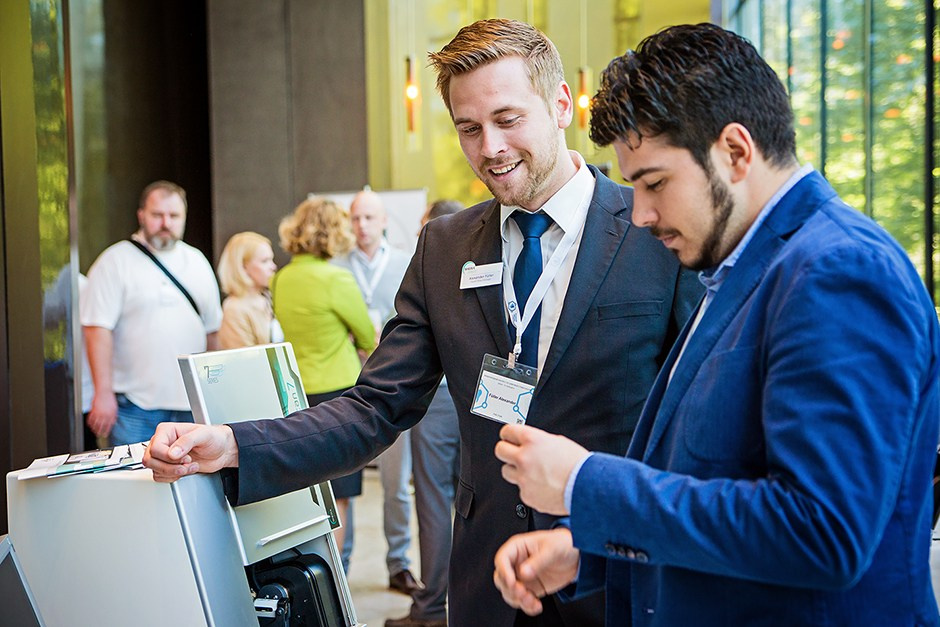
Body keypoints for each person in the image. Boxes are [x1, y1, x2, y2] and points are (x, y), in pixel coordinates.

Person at [144, 19, 700, 627]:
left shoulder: (655, 230)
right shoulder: (445, 247)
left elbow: (693, 430)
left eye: (508, 119)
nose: (490, 148)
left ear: (561, 104)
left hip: (616, 580)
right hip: (488, 585)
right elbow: (375, 407)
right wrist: (234, 444)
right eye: (469, 128)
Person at [492, 23, 940, 626]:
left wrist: (585, 483)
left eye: (655, 183)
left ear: (735, 151)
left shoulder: (838, 271)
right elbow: (715, 477)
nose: (641, 214)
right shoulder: (740, 267)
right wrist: (588, 547)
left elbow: (822, 532)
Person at [272, 196, 377, 573]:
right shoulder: (336, 279)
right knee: (340, 497)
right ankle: (336, 581)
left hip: (296, 393)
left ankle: (311, 580)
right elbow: (368, 337)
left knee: (307, 495)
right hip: (339, 395)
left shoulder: (281, 278)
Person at [82, 180, 222, 446]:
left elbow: (212, 332)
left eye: (174, 216)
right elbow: (96, 329)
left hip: (191, 407)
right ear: (141, 215)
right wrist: (102, 393)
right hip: (134, 408)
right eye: (157, 215)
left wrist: (212, 394)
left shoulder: (197, 261)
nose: (166, 223)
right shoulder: (115, 261)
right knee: (133, 475)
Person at [332, 189, 420, 595]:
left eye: (369, 217)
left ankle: (399, 563)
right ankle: (341, 566)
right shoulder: (336, 268)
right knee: (343, 482)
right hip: (347, 385)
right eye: (355, 218)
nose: (362, 225)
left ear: (384, 221)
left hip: (394, 385)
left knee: (396, 482)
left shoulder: (406, 263)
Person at [386, 199, 466, 627]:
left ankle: (432, 607)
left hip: (436, 400)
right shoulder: (490, 257)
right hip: (482, 399)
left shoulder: (432, 263)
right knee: (482, 500)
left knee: (434, 503)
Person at [217, 231, 282, 349]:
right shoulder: (234, 309)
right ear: (242, 266)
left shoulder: (268, 298)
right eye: (265, 261)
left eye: (271, 260)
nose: (273, 267)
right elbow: (245, 357)